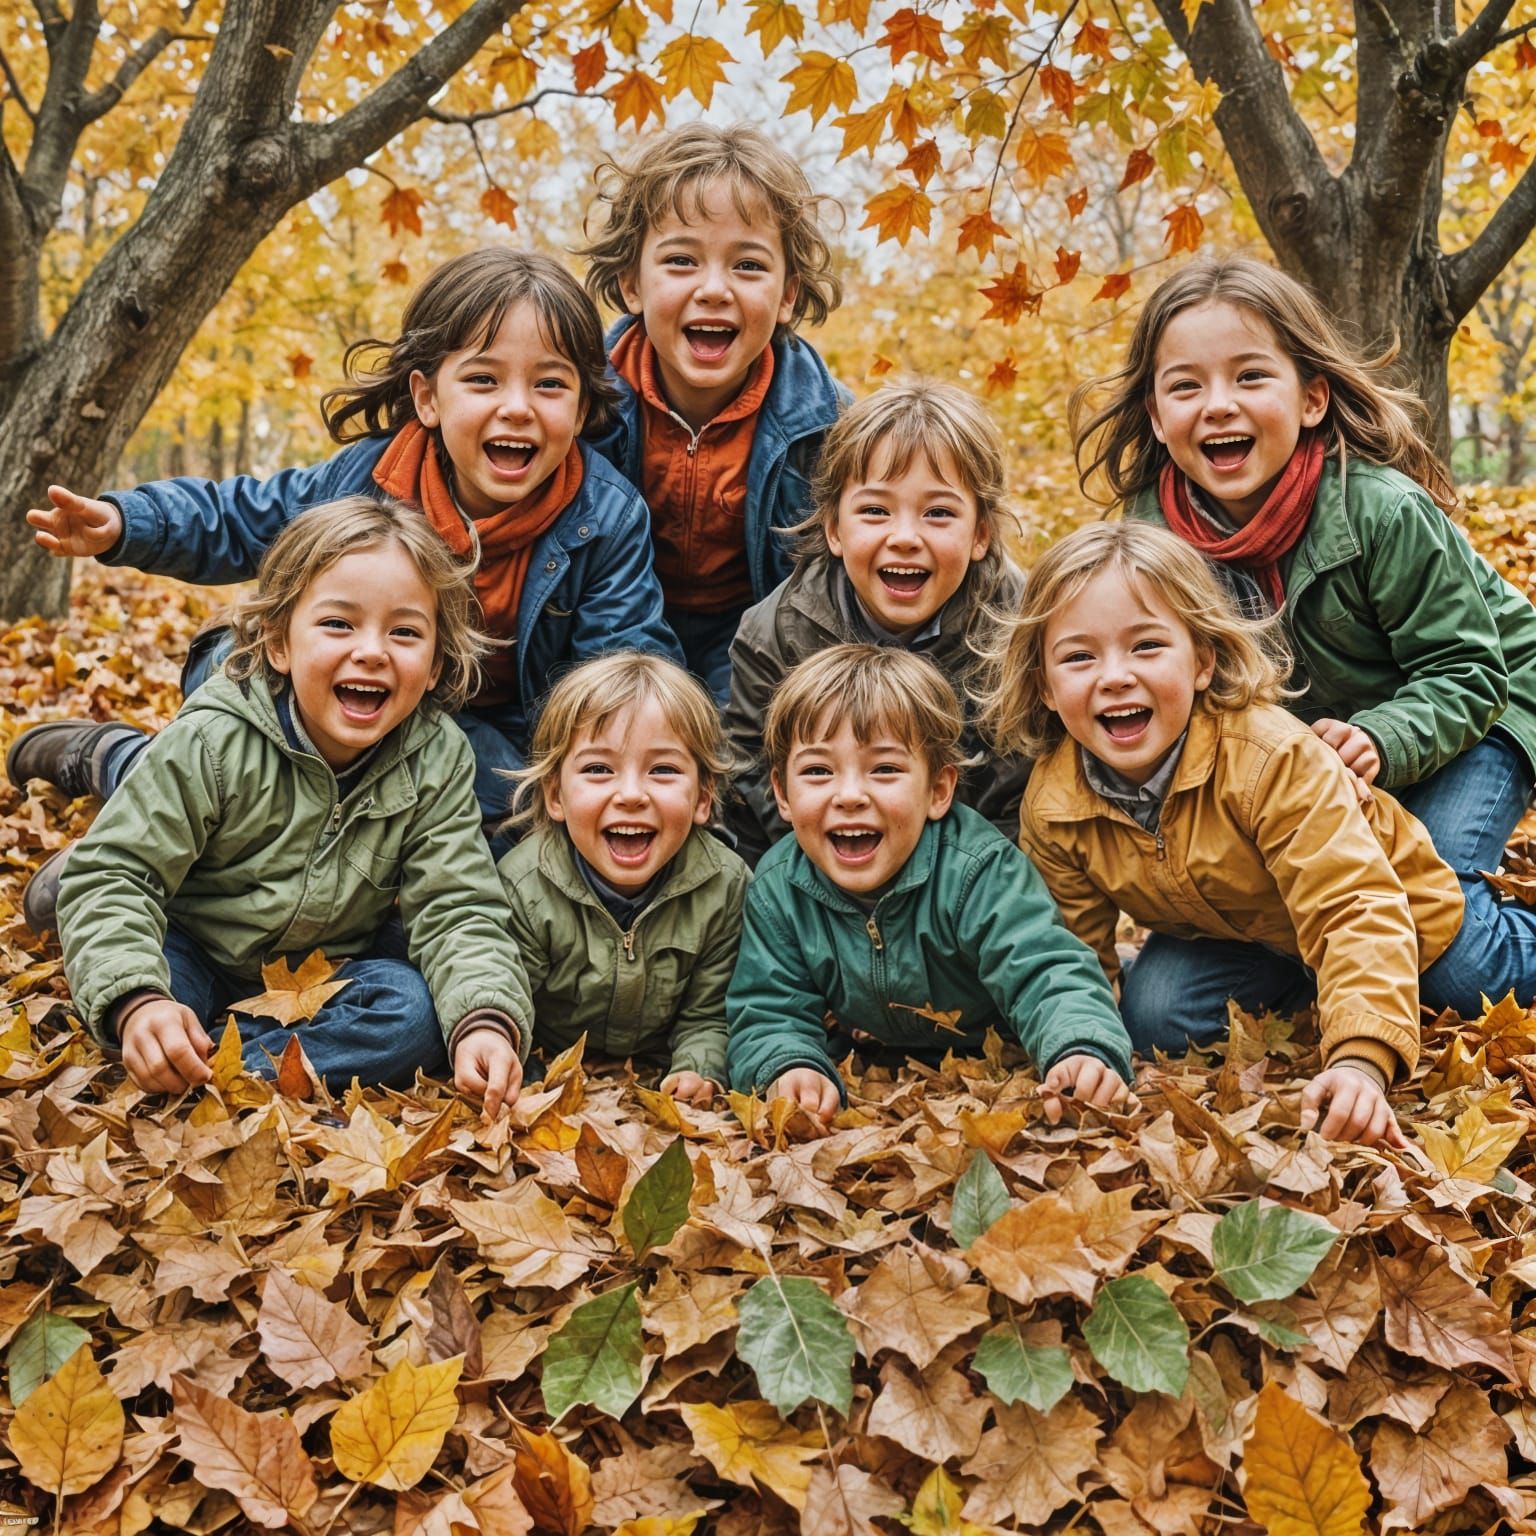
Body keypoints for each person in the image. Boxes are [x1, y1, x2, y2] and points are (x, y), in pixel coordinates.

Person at [10, 248, 680, 881]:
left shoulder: (605, 516)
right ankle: (125, 778)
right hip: (337, 697)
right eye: (482, 379)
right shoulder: (371, 479)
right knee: (233, 680)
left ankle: (333, 892)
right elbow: (247, 517)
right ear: (428, 398)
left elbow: (619, 668)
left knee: (511, 811)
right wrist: (130, 523)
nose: (516, 406)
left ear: (584, 406)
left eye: (550, 385)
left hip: (479, 732)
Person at [1072, 254, 1536, 1009]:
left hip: (1475, 709)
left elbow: (1468, 670)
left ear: (1312, 398)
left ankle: (1463, 946)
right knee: (1162, 1011)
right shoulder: (1152, 542)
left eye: (1251, 377)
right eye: (1186, 386)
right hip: (1305, 768)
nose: (1218, 405)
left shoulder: (1380, 510)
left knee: (1438, 946)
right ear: (1157, 417)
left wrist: (1382, 738)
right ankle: (1325, 956)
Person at [984, 522, 1486, 1148]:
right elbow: (1071, 953)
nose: (1114, 676)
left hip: (1398, 908)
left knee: (1461, 984)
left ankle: (1474, 944)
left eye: (1146, 646)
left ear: (1202, 662)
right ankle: (1314, 985)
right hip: (1246, 934)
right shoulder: (1054, 804)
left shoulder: (1267, 757)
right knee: (1153, 1017)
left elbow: (1352, 905)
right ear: (1045, 688)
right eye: (1080, 657)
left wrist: (1360, 1060)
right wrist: (1083, 1047)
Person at [55, 496, 532, 1112]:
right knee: (138, 982)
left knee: (413, 1013)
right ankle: (177, 1034)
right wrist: (139, 1002)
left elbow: (457, 906)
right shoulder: (216, 738)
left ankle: (222, 1065)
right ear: (280, 644)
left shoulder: (435, 758)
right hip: (194, 945)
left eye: (405, 632)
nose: (372, 651)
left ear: (436, 663)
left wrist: (486, 1020)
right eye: (338, 624)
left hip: (323, 977)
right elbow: (117, 873)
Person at [724, 644, 1134, 1125]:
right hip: (886, 1048)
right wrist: (790, 1064)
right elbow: (769, 1006)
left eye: (885, 769)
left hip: (994, 1040)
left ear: (938, 791)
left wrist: (1079, 1046)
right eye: (818, 771)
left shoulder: (977, 871)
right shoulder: (779, 889)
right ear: (782, 793)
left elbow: (1042, 969)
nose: (850, 795)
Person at [578, 122, 849, 702]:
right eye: (681, 261)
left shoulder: (831, 428)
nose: (714, 289)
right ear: (631, 284)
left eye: (747, 266)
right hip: (603, 632)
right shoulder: (575, 404)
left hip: (759, 647)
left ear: (787, 297)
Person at [724, 380, 1029, 864]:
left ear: (980, 535)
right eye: (875, 511)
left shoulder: (1018, 631)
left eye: (938, 513)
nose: (904, 536)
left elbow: (1018, 791)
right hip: (825, 861)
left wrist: (959, 884)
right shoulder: (778, 632)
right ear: (834, 529)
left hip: (969, 871)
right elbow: (751, 775)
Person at [499, 652, 748, 1101]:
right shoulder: (524, 887)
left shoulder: (726, 887)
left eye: (663, 770)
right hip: (552, 1065)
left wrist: (699, 1067)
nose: (631, 794)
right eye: (599, 769)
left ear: (703, 799)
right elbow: (509, 1002)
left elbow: (711, 1013)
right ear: (556, 796)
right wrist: (530, 1076)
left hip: (656, 1063)